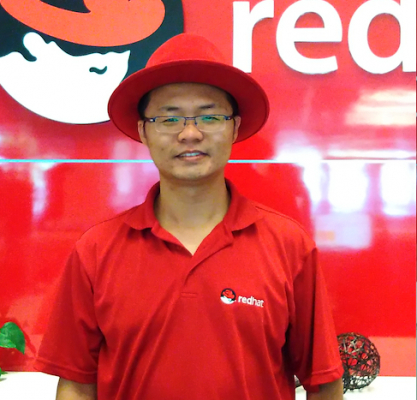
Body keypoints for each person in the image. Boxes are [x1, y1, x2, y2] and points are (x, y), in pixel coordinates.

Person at [34, 33, 344, 400]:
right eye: (169, 118)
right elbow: (76, 386)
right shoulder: (96, 251)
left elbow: (323, 382)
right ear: (143, 131)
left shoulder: (289, 246)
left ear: (234, 127)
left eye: (209, 116)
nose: (190, 133)